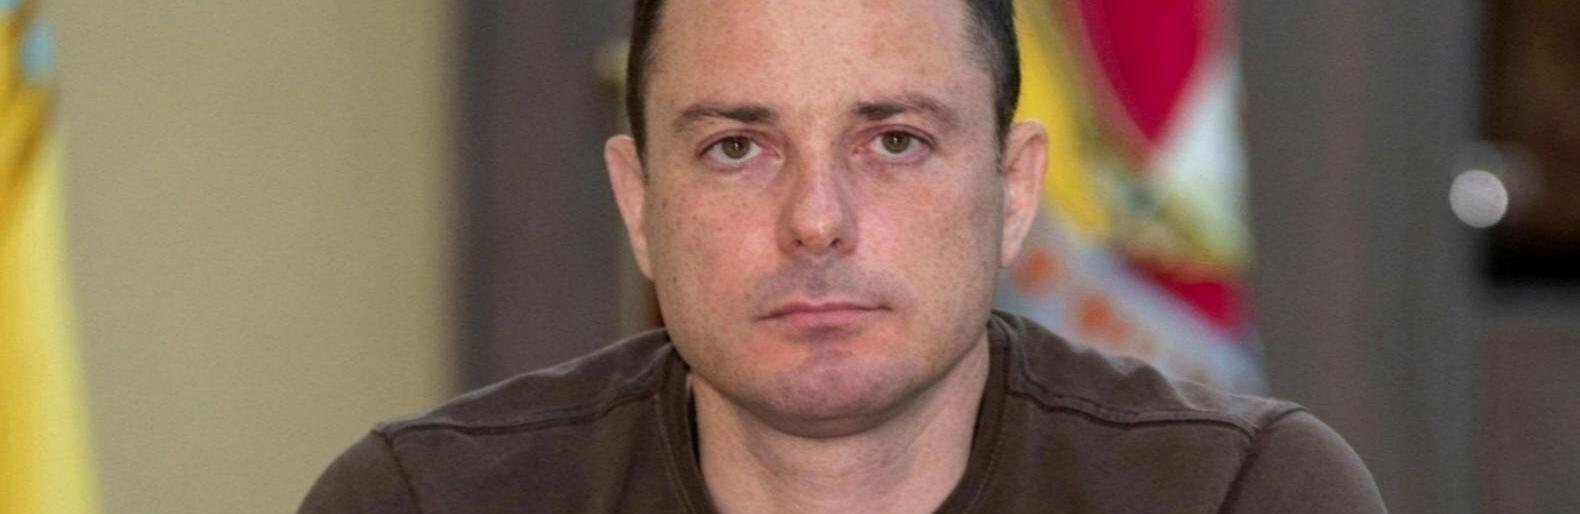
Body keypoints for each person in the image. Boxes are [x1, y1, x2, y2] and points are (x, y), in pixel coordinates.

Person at [299, 0, 1387, 512]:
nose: (816, 219)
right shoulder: (424, 505)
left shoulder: (1237, 497)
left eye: (895, 141)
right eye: (737, 147)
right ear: (639, 201)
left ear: (1012, 190)